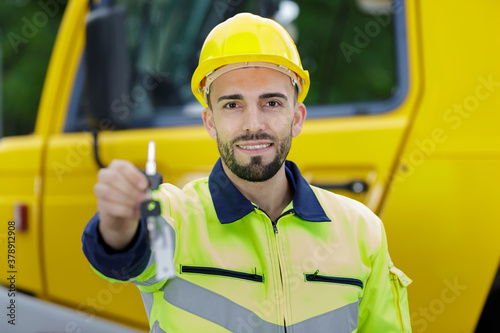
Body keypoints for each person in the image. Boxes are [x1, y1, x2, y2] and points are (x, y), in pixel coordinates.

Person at [82, 12, 412, 333]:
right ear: (210, 122)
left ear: (297, 118)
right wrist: (117, 224)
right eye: (232, 105)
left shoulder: (362, 231)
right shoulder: (175, 216)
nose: (253, 124)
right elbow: (125, 255)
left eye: (271, 103)